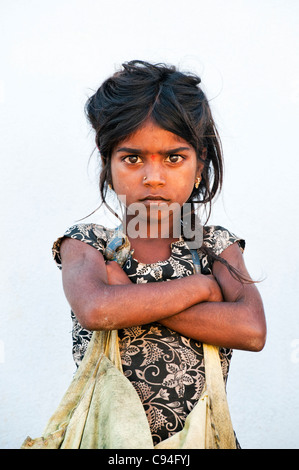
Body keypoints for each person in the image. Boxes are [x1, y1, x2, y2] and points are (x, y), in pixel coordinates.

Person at [52, 60, 266, 446]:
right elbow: (98, 310)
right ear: (108, 164)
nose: (153, 176)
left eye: (173, 157)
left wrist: (128, 293)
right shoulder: (87, 243)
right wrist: (202, 290)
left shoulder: (215, 246)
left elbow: (251, 330)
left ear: (199, 165)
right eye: (132, 158)